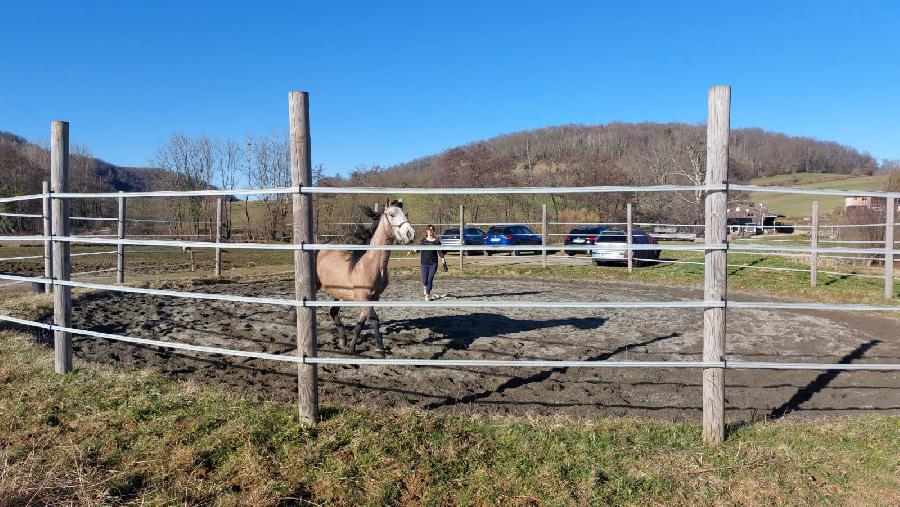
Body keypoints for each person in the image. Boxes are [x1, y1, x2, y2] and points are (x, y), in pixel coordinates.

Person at [420, 225, 446, 300]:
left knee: (430, 279)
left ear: (433, 231)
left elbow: (440, 252)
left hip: (433, 263)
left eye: (431, 230)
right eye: (428, 230)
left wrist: (443, 261)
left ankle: (427, 295)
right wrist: (413, 251)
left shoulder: (437, 241)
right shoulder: (423, 241)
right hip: (424, 263)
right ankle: (425, 287)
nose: (430, 231)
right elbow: (418, 249)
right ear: (426, 231)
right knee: (424, 280)